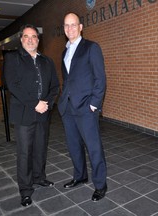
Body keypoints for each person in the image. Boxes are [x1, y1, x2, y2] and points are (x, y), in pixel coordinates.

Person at [3, 24, 59, 207]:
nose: (30, 39)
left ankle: (39, 177)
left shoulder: (47, 61)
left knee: (40, 149)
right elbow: (13, 85)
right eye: (26, 36)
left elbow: (54, 86)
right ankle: (25, 190)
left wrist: (47, 104)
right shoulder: (13, 58)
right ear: (21, 39)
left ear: (38, 39)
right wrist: (35, 103)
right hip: (24, 114)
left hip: (43, 113)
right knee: (25, 153)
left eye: (34, 36)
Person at [58, 12, 107, 202]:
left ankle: (100, 185)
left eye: (73, 25)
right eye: (66, 25)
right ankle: (80, 176)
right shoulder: (65, 51)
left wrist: (94, 104)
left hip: (86, 108)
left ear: (80, 27)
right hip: (68, 108)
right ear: (64, 29)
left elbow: (100, 79)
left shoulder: (91, 48)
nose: (70, 28)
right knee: (74, 146)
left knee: (94, 148)